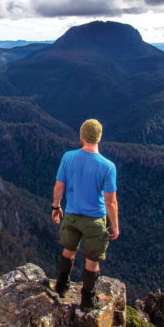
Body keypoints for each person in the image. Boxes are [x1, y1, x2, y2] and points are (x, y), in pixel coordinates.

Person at [51, 118, 120, 312]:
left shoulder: (68, 157)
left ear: (81, 136)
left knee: (68, 251)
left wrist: (55, 207)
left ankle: (61, 286)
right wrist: (114, 224)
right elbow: (110, 202)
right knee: (92, 261)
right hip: (95, 221)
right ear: (99, 138)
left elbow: (59, 187)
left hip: (72, 216)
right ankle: (87, 301)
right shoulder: (108, 166)